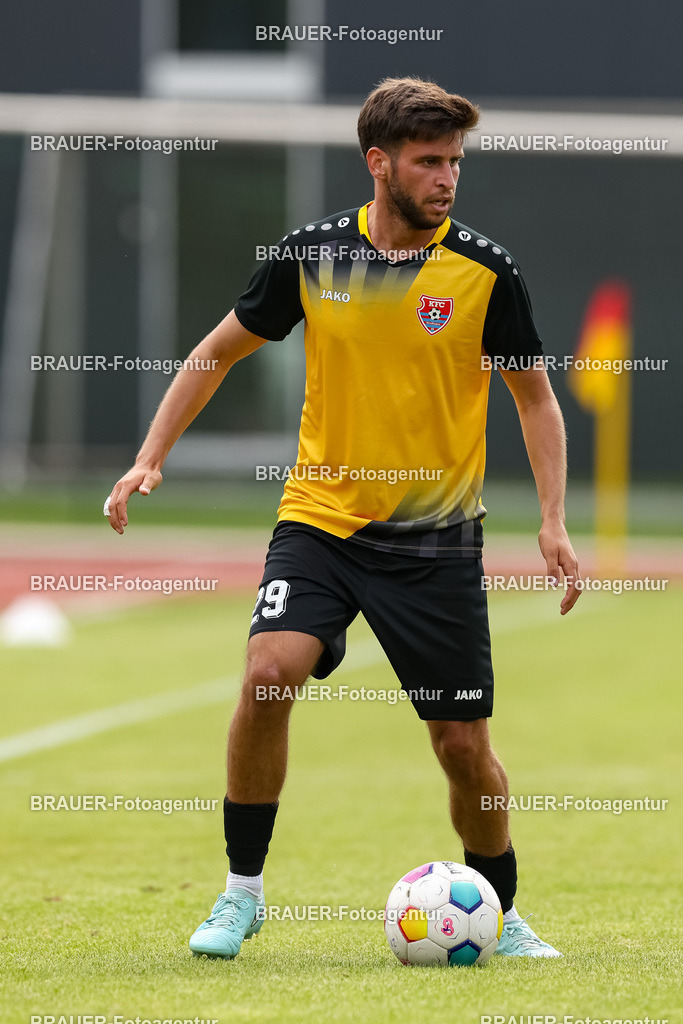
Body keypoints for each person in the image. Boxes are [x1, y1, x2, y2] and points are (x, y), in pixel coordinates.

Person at [105, 77, 581, 961]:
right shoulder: (310, 256)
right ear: (379, 164)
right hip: (321, 521)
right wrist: (149, 454)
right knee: (267, 673)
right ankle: (240, 895)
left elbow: (535, 401)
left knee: (461, 748)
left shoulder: (484, 271)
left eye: (454, 163)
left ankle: (497, 913)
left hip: (436, 540)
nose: (446, 179)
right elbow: (216, 352)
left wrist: (551, 521)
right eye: (428, 162)